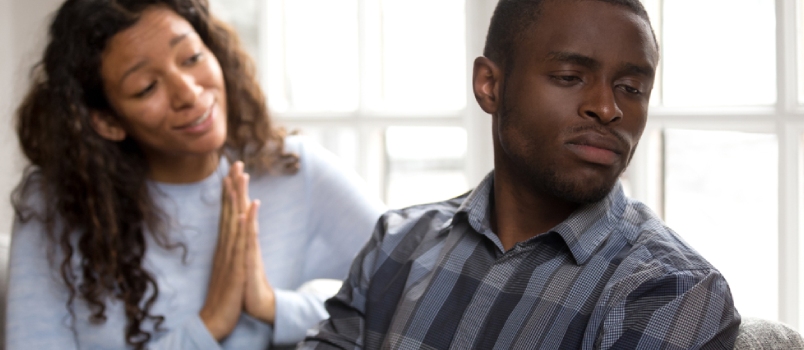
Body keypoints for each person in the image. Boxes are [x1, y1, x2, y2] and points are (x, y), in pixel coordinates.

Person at [301, 0, 741, 349]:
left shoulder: (672, 292)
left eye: (632, 89)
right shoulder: (396, 244)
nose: (608, 109)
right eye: (570, 76)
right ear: (489, 85)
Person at [6, 0, 384, 349]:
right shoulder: (55, 206)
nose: (188, 92)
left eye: (191, 57)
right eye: (147, 87)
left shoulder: (290, 171)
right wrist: (209, 325)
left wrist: (274, 308)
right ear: (106, 121)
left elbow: (417, 285)